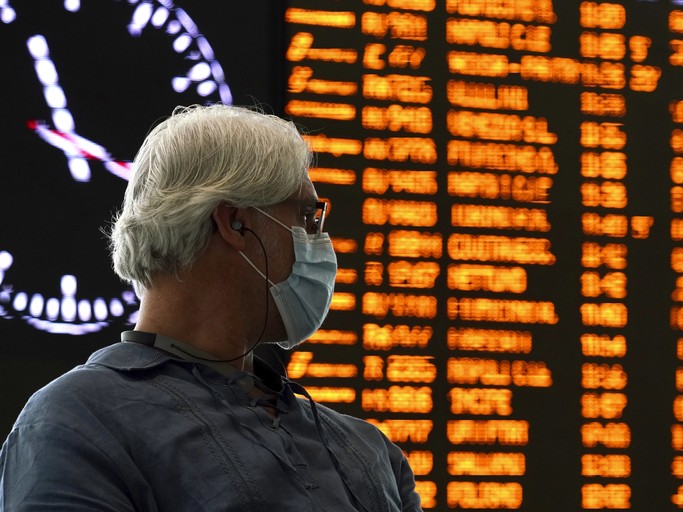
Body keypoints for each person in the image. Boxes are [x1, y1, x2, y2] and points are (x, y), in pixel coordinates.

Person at [0, 104, 422, 511]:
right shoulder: (77, 422)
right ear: (234, 222)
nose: (321, 243)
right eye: (308, 217)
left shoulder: (371, 452)